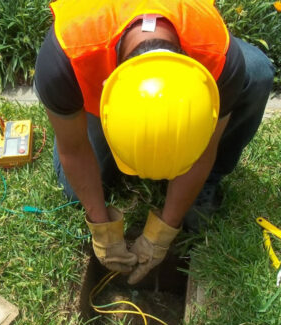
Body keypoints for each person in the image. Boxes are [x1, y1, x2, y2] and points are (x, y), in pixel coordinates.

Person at [34, 0, 274, 284]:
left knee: (256, 72)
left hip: (193, 44)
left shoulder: (220, 61)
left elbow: (203, 151)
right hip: (91, 73)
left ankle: (207, 184)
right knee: (75, 192)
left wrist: (163, 231)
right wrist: (101, 228)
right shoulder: (64, 55)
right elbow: (73, 150)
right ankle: (82, 120)